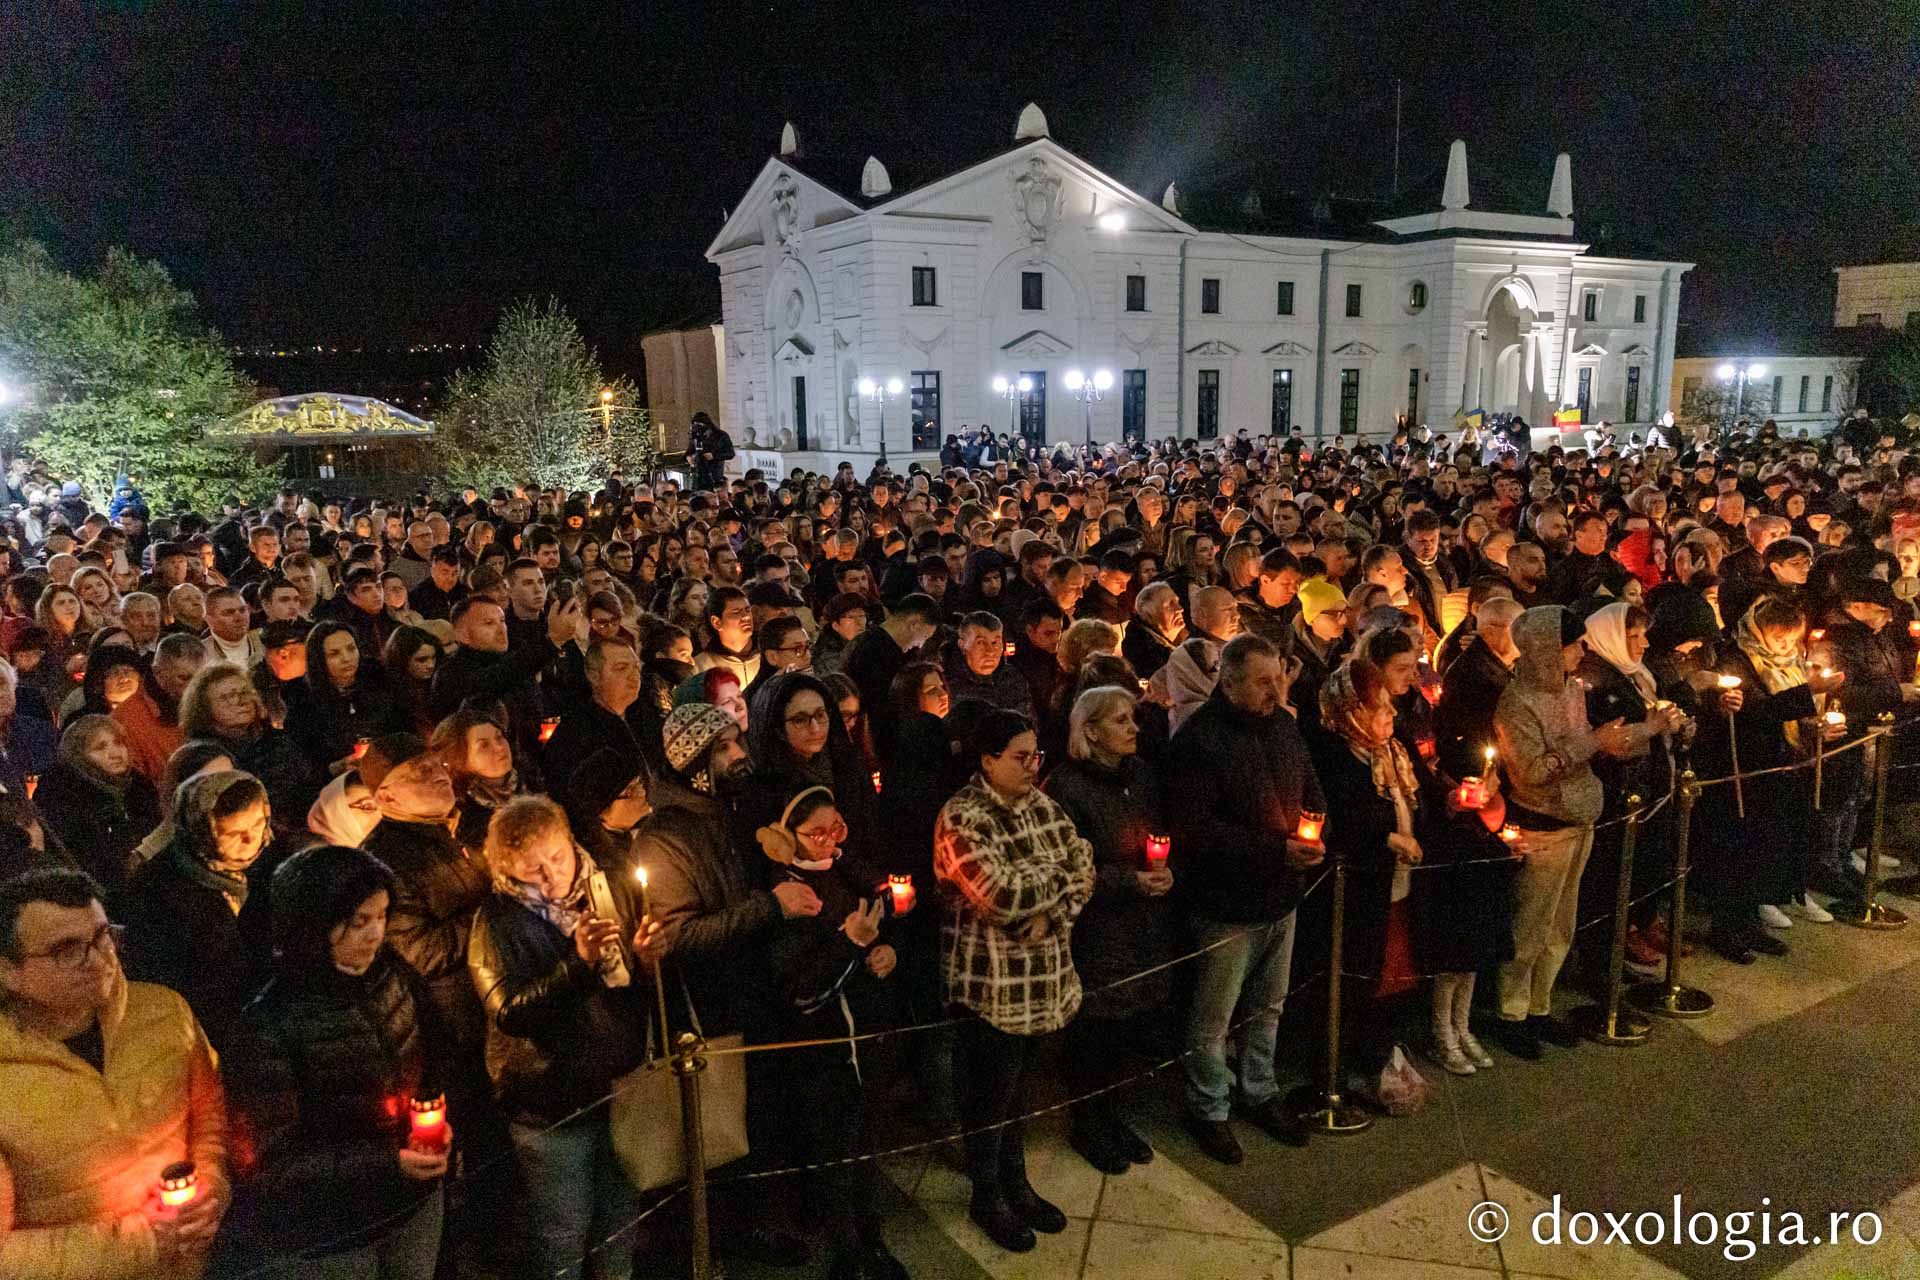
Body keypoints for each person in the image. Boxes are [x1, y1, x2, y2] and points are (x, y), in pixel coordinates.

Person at [220, 844, 450, 1279]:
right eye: (357, 921)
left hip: (410, 1204)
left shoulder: (393, 975)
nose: (375, 934)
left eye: (381, 916)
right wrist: (387, 1160)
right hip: (329, 1235)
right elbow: (268, 1160)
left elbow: (433, 1057)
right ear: (312, 926)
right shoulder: (269, 1024)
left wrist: (433, 1116)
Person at [0, 867, 231, 1279]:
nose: (99, 960)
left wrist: (212, 1185)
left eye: (103, 936)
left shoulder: (163, 1012)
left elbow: (208, 1120)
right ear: (8, 971)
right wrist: (144, 1240)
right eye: (66, 950)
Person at [469, 796, 661, 1280]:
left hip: (620, 1088)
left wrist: (645, 958)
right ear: (505, 867)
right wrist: (577, 964)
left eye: (558, 857)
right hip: (551, 1104)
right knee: (563, 1231)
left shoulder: (604, 886)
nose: (552, 876)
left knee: (621, 1220)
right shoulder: (496, 920)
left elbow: (631, 989)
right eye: (533, 868)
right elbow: (511, 1014)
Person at [934, 709, 1093, 1254]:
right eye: (1020, 757)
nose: (1032, 767)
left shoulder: (1042, 803)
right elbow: (999, 896)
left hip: (1043, 979)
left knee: (1019, 1091)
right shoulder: (962, 817)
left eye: (1035, 756)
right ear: (987, 760)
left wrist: (1052, 913)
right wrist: (1057, 883)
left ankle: (1016, 1182)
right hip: (992, 987)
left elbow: (1085, 863)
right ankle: (988, 1192)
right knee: (989, 1095)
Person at [1165, 634, 1322, 1162]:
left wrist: (1315, 826)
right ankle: (1209, 1106)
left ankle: (1260, 1089)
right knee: (1213, 1016)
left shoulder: (1282, 725)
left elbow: (1309, 783)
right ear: (1228, 682)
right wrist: (1276, 849)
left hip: (1281, 896)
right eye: (1262, 682)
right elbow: (1197, 829)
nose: (1274, 690)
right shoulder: (1199, 741)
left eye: (1278, 678)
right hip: (1226, 904)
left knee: (1268, 1007)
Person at [758, 785, 910, 1280]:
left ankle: (872, 1240)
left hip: (869, 1039)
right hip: (825, 1052)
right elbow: (799, 988)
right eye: (816, 833)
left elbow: (878, 931)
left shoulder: (851, 871)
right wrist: (850, 942)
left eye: (836, 829)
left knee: (867, 1148)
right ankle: (846, 1252)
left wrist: (886, 952)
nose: (829, 841)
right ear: (788, 838)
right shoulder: (789, 892)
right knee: (834, 1155)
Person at [1489, 606, 1638, 1059]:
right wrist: (1595, 742)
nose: (1582, 651)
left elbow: (1579, 746)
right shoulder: (1516, 704)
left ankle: (1540, 1004)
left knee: (1560, 925)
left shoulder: (1572, 690)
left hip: (1579, 818)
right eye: (1573, 644)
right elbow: (1531, 772)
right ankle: (1510, 1012)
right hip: (1543, 825)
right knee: (1530, 925)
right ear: (1548, 651)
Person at [1043, 684, 1174, 1174]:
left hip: (1143, 923)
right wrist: (1129, 881)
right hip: (1098, 928)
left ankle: (1114, 1116)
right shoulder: (1066, 787)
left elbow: (1161, 832)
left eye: (1132, 719)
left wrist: (1163, 867)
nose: (1133, 728)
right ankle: (1088, 1125)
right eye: (1121, 721)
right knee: (1095, 1033)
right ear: (1091, 731)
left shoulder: (1139, 775)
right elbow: (1068, 866)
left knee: (1126, 1032)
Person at [114, 770, 273, 1055]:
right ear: (201, 829)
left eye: (259, 824)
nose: (251, 840)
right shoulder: (158, 890)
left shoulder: (271, 866)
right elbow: (166, 981)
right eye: (233, 833)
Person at [35, 713, 161, 896]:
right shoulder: (62, 797)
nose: (115, 754)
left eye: (119, 743)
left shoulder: (139, 787)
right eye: (100, 748)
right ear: (78, 756)